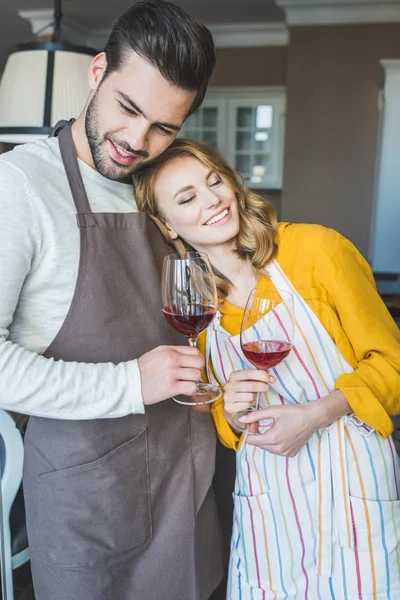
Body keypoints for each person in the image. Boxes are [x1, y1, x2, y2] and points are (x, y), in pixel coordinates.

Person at [0, 3, 224, 600]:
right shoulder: (20, 186)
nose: (135, 141)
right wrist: (130, 383)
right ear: (96, 71)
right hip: (90, 505)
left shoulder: (166, 182)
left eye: (164, 128)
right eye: (128, 108)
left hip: (190, 480)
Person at [134, 138, 400, 599]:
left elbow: (394, 365)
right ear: (166, 224)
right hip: (270, 499)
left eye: (214, 181)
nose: (213, 200)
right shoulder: (199, 306)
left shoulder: (316, 250)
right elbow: (226, 422)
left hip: (353, 480)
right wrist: (232, 413)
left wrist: (318, 413)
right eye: (187, 198)